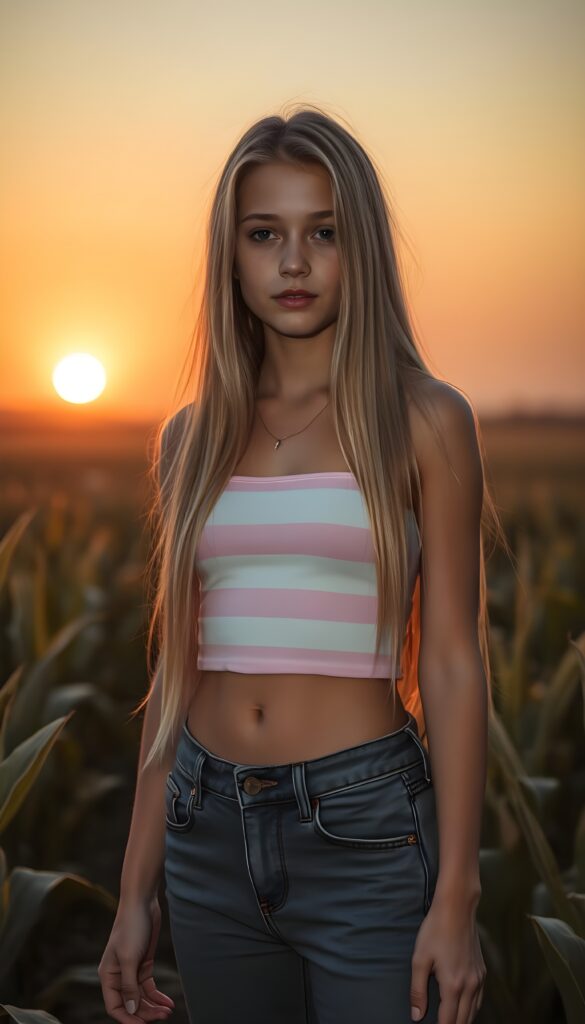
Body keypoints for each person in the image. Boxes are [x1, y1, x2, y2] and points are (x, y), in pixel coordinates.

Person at [99, 104, 498, 1024]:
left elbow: (449, 662)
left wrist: (457, 896)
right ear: (230, 256)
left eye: (323, 232)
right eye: (263, 234)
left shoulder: (425, 420)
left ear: (361, 250)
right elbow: (174, 675)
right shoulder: (190, 437)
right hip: (204, 832)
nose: (292, 262)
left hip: (365, 830)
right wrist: (133, 891)